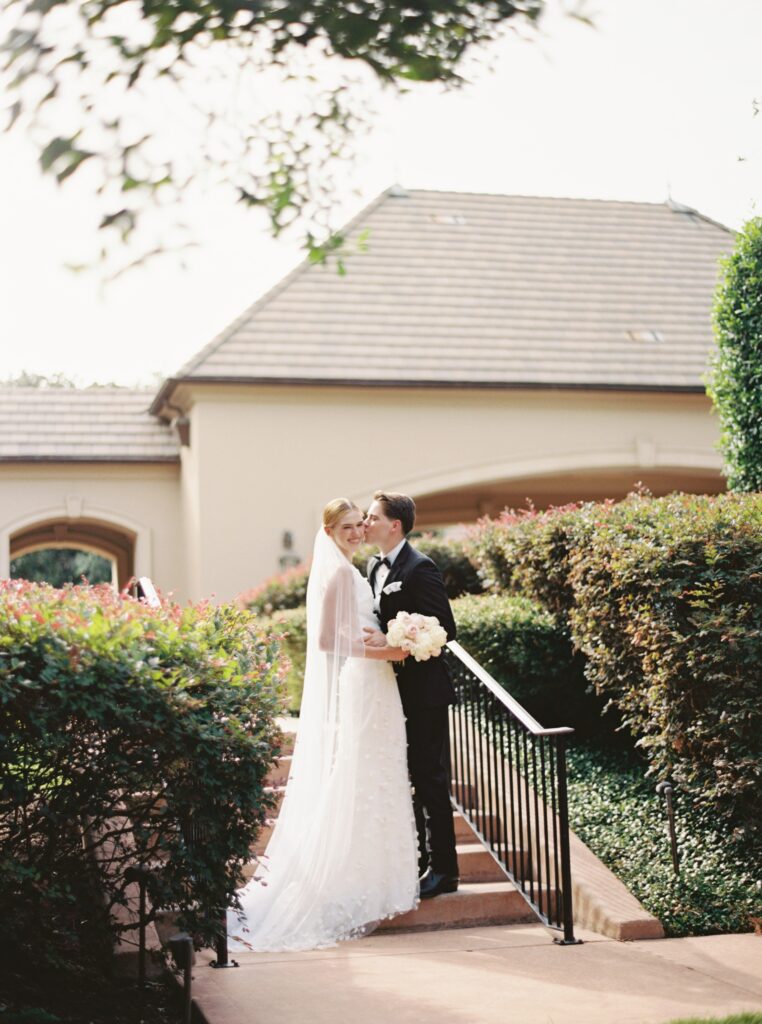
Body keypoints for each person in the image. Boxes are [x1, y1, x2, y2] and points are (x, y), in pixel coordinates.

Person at [228, 498, 419, 952]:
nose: (356, 532)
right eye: (348, 526)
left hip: (377, 685)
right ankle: (347, 883)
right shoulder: (336, 572)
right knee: (360, 776)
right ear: (330, 529)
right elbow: (328, 640)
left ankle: (375, 879)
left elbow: (356, 629)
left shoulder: (354, 570)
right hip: (366, 683)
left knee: (377, 776)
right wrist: (390, 652)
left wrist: (388, 637)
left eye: (360, 525)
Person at [363, 491, 459, 898]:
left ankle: (445, 869)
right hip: (391, 691)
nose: (365, 524)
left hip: (425, 692)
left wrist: (397, 636)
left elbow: (445, 628)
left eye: (371, 517)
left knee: (430, 777)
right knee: (404, 777)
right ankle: (416, 860)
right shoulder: (373, 567)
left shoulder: (420, 568)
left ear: (394, 524)